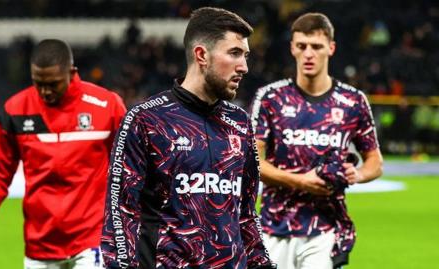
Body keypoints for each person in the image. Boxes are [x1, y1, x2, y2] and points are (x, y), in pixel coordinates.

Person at [101, 7, 274, 269]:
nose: (244, 67)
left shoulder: (240, 123)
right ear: (201, 55)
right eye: (235, 53)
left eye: (246, 55)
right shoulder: (146, 120)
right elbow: (120, 213)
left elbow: (246, 216)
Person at [0, 39, 127, 269]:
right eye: (38, 83)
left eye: (53, 84)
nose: (45, 91)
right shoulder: (16, 110)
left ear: (72, 73)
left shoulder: (106, 106)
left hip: (92, 241)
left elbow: (132, 167)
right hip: (40, 246)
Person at [251, 13, 383, 269]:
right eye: (302, 46)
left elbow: (375, 161)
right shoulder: (270, 98)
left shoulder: (353, 101)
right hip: (273, 228)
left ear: (331, 48)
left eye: (317, 46)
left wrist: (356, 174)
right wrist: (302, 181)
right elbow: (254, 163)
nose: (308, 54)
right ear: (292, 48)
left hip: (325, 229)